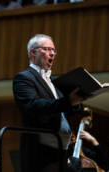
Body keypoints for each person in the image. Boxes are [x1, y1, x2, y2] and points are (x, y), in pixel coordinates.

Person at [13, 34, 85, 172]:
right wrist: (68, 101)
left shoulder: (54, 81)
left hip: (61, 150)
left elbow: (65, 110)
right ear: (33, 52)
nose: (52, 53)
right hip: (40, 152)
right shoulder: (23, 78)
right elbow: (33, 106)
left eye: (54, 50)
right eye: (46, 49)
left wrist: (76, 102)